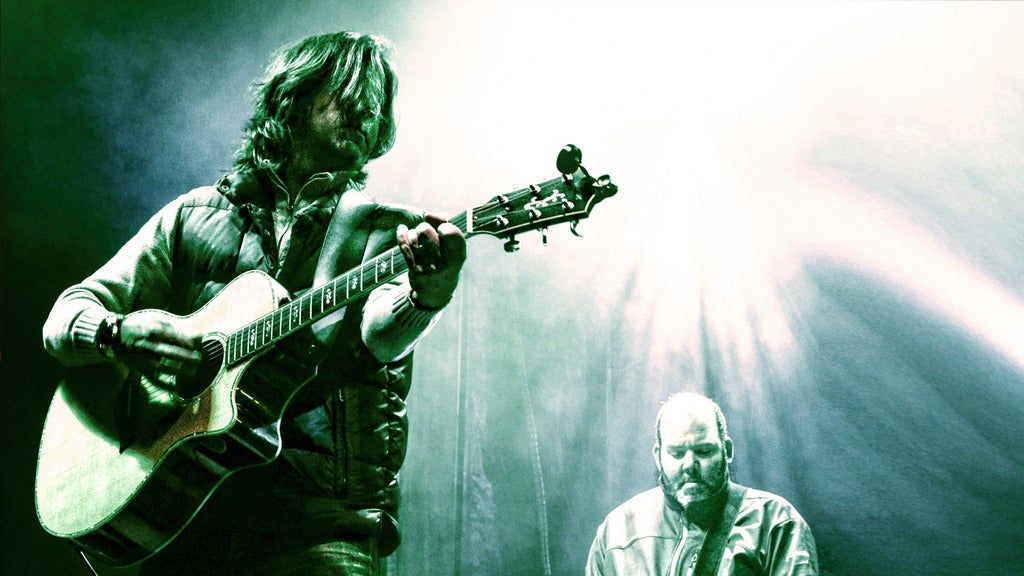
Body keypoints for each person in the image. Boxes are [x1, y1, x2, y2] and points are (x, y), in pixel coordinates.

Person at [41, 31, 465, 575]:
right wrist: (117, 334)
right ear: (292, 97)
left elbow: (379, 338)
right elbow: (64, 318)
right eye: (348, 91)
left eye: (378, 102)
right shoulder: (193, 216)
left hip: (319, 526)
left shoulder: (385, 229)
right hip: (185, 520)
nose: (366, 110)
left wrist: (428, 294)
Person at [586, 393, 818, 576]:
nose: (690, 465)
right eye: (677, 453)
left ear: (727, 451)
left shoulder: (775, 521)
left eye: (703, 451)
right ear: (658, 456)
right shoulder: (616, 531)